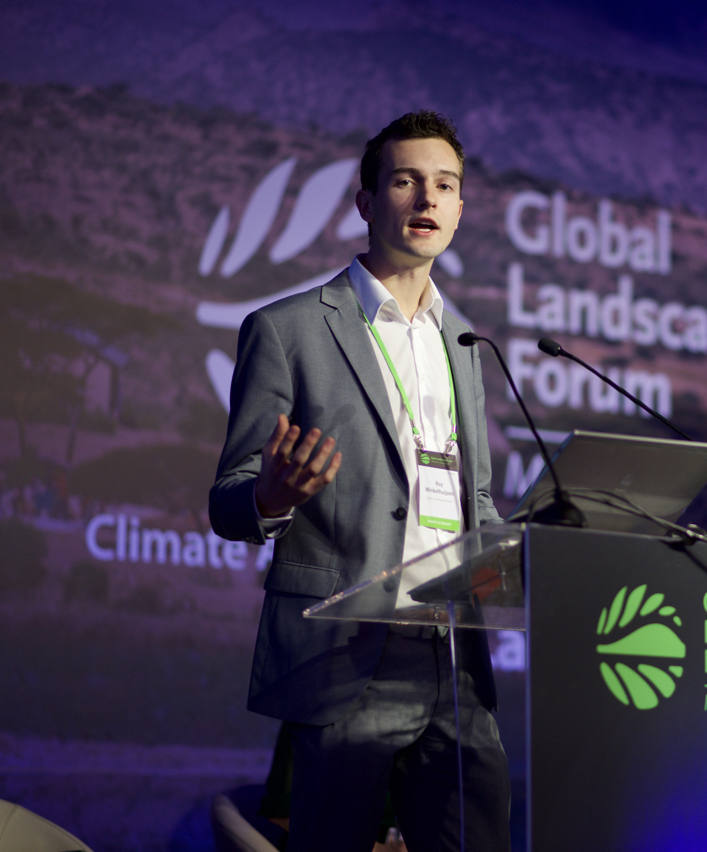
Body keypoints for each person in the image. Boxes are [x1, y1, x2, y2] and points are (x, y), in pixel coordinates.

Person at [210, 111, 509, 852]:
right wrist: (271, 498)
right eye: (405, 181)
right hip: (347, 649)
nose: (426, 200)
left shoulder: (466, 343)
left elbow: (473, 503)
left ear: (462, 209)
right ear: (367, 201)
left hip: (454, 657)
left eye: (445, 185)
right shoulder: (289, 330)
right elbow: (228, 499)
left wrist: (519, 549)